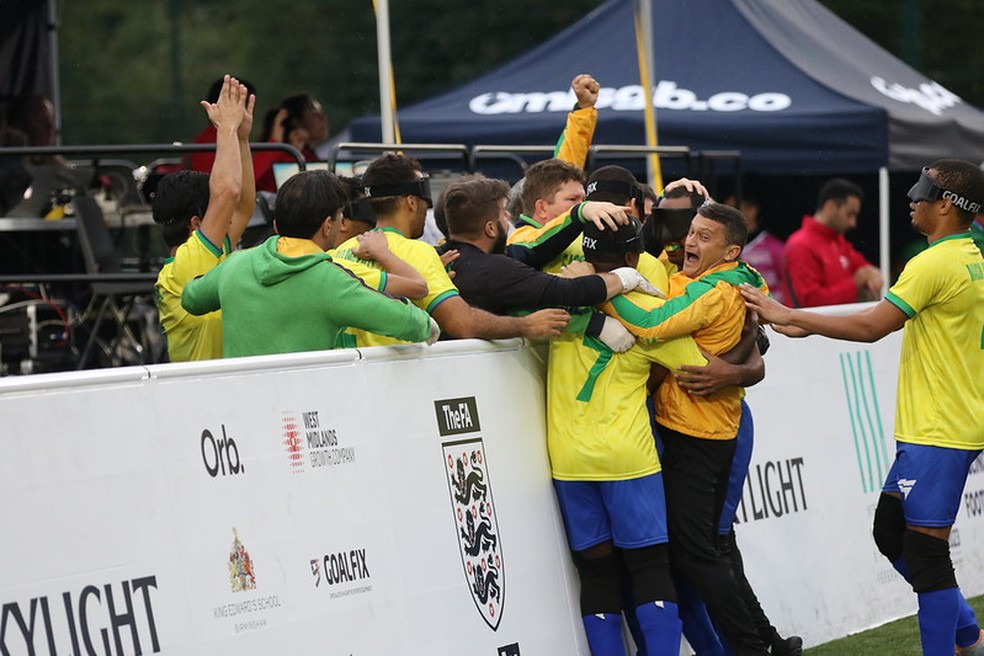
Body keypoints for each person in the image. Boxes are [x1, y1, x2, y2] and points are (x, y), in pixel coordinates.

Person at [741, 159, 984, 656]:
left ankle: (957, 643)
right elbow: (879, 316)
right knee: (891, 532)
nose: (912, 198)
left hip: (939, 429)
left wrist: (790, 314)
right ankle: (967, 635)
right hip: (942, 424)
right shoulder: (969, 256)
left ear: (946, 205)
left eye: (923, 190)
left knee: (925, 553)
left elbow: (875, 326)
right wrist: (804, 322)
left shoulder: (934, 262)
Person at [601, 201, 771, 655]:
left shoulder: (714, 291)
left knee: (697, 553)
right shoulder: (746, 278)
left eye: (704, 237)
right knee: (709, 546)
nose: (690, 241)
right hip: (716, 428)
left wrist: (600, 288)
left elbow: (654, 325)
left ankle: (752, 647)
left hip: (694, 432)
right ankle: (763, 641)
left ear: (731, 250)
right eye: (691, 231)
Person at [548, 217, 706, 655]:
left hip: (567, 460)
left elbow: (515, 300)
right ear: (634, 259)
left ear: (584, 256)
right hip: (628, 458)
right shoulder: (647, 310)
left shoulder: (558, 301)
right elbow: (702, 368)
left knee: (596, 573)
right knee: (649, 565)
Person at [181, 169, 437, 357]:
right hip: (302, 417)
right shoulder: (332, 281)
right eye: (339, 216)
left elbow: (191, 298)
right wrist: (429, 325)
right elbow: (410, 322)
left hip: (239, 415)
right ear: (328, 226)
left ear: (276, 226)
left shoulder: (234, 265)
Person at [330, 154, 571, 346]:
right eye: (425, 200)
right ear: (411, 202)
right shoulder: (419, 253)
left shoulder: (340, 252)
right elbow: (462, 323)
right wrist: (526, 326)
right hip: (394, 386)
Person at [440, 175, 658, 351]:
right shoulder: (495, 269)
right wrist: (626, 278)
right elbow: (571, 292)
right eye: (503, 214)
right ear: (490, 228)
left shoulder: (437, 258)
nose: (508, 219)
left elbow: (532, 251)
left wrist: (580, 214)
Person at [153, 75, 256, 362]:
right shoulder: (186, 264)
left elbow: (244, 206)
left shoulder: (205, 256)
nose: (223, 215)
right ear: (196, 224)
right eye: (213, 212)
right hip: (200, 400)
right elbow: (227, 193)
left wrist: (241, 139)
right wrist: (225, 128)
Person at [782, 178, 883, 307]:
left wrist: (872, 274)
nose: (853, 223)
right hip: (809, 326)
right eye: (849, 214)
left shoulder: (838, 241)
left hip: (837, 324)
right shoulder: (800, 245)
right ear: (831, 206)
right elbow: (810, 302)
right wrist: (855, 283)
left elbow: (862, 267)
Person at [187, 76, 257, 174]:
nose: (244, 111)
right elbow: (224, 188)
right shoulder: (205, 144)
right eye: (239, 102)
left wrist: (242, 139)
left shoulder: (240, 136)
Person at [727, 193, 787, 305]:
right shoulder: (722, 247)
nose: (729, 216)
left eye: (733, 209)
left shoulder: (775, 248)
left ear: (752, 210)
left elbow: (788, 287)